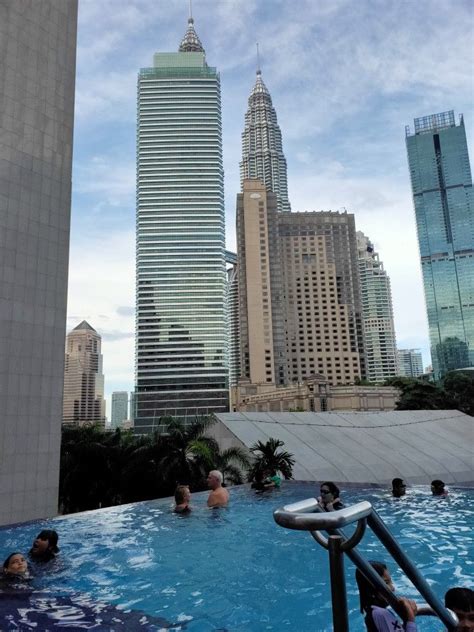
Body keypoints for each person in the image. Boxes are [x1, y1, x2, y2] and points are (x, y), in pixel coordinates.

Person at [355, 560, 417, 631]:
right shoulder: (380, 614)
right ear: (370, 588)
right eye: (386, 583)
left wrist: (407, 620)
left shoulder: (374, 613)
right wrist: (411, 619)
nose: (393, 588)